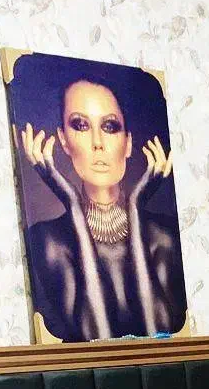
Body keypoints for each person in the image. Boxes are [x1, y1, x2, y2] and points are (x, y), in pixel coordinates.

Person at [19, 72, 187, 341]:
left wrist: (135, 208)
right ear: (64, 140)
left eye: (109, 126)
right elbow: (96, 342)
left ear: (127, 143)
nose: (97, 143)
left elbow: (160, 340)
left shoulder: (163, 236)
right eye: (81, 125)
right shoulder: (48, 240)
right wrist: (73, 204)